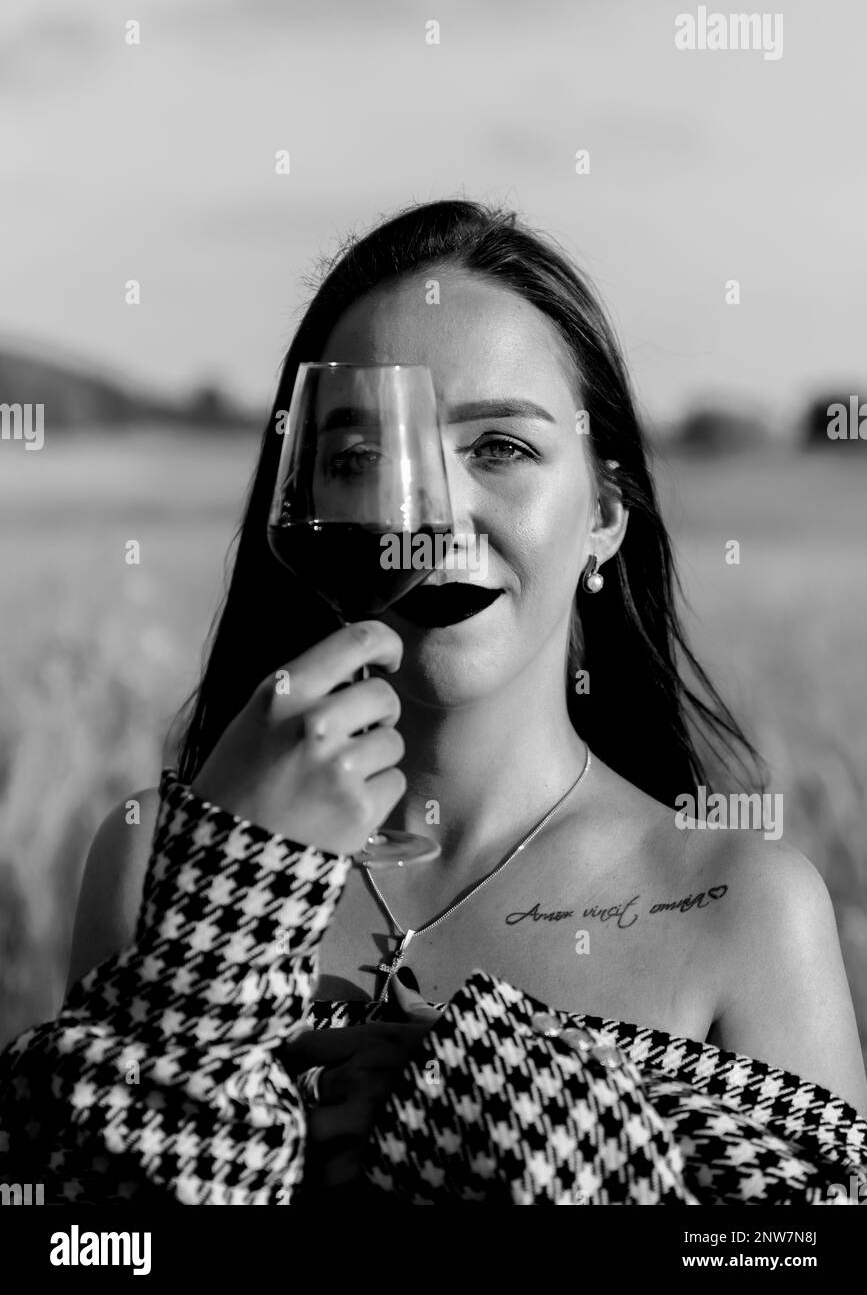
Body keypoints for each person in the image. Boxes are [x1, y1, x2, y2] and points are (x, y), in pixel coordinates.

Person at [2, 199, 865, 1204]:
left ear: (604, 515)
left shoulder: (743, 904)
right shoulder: (162, 860)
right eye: (359, 458)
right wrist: (234, 902)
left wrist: (491, 1114)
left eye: (498, 446)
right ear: (301, 502)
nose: (428, 513)